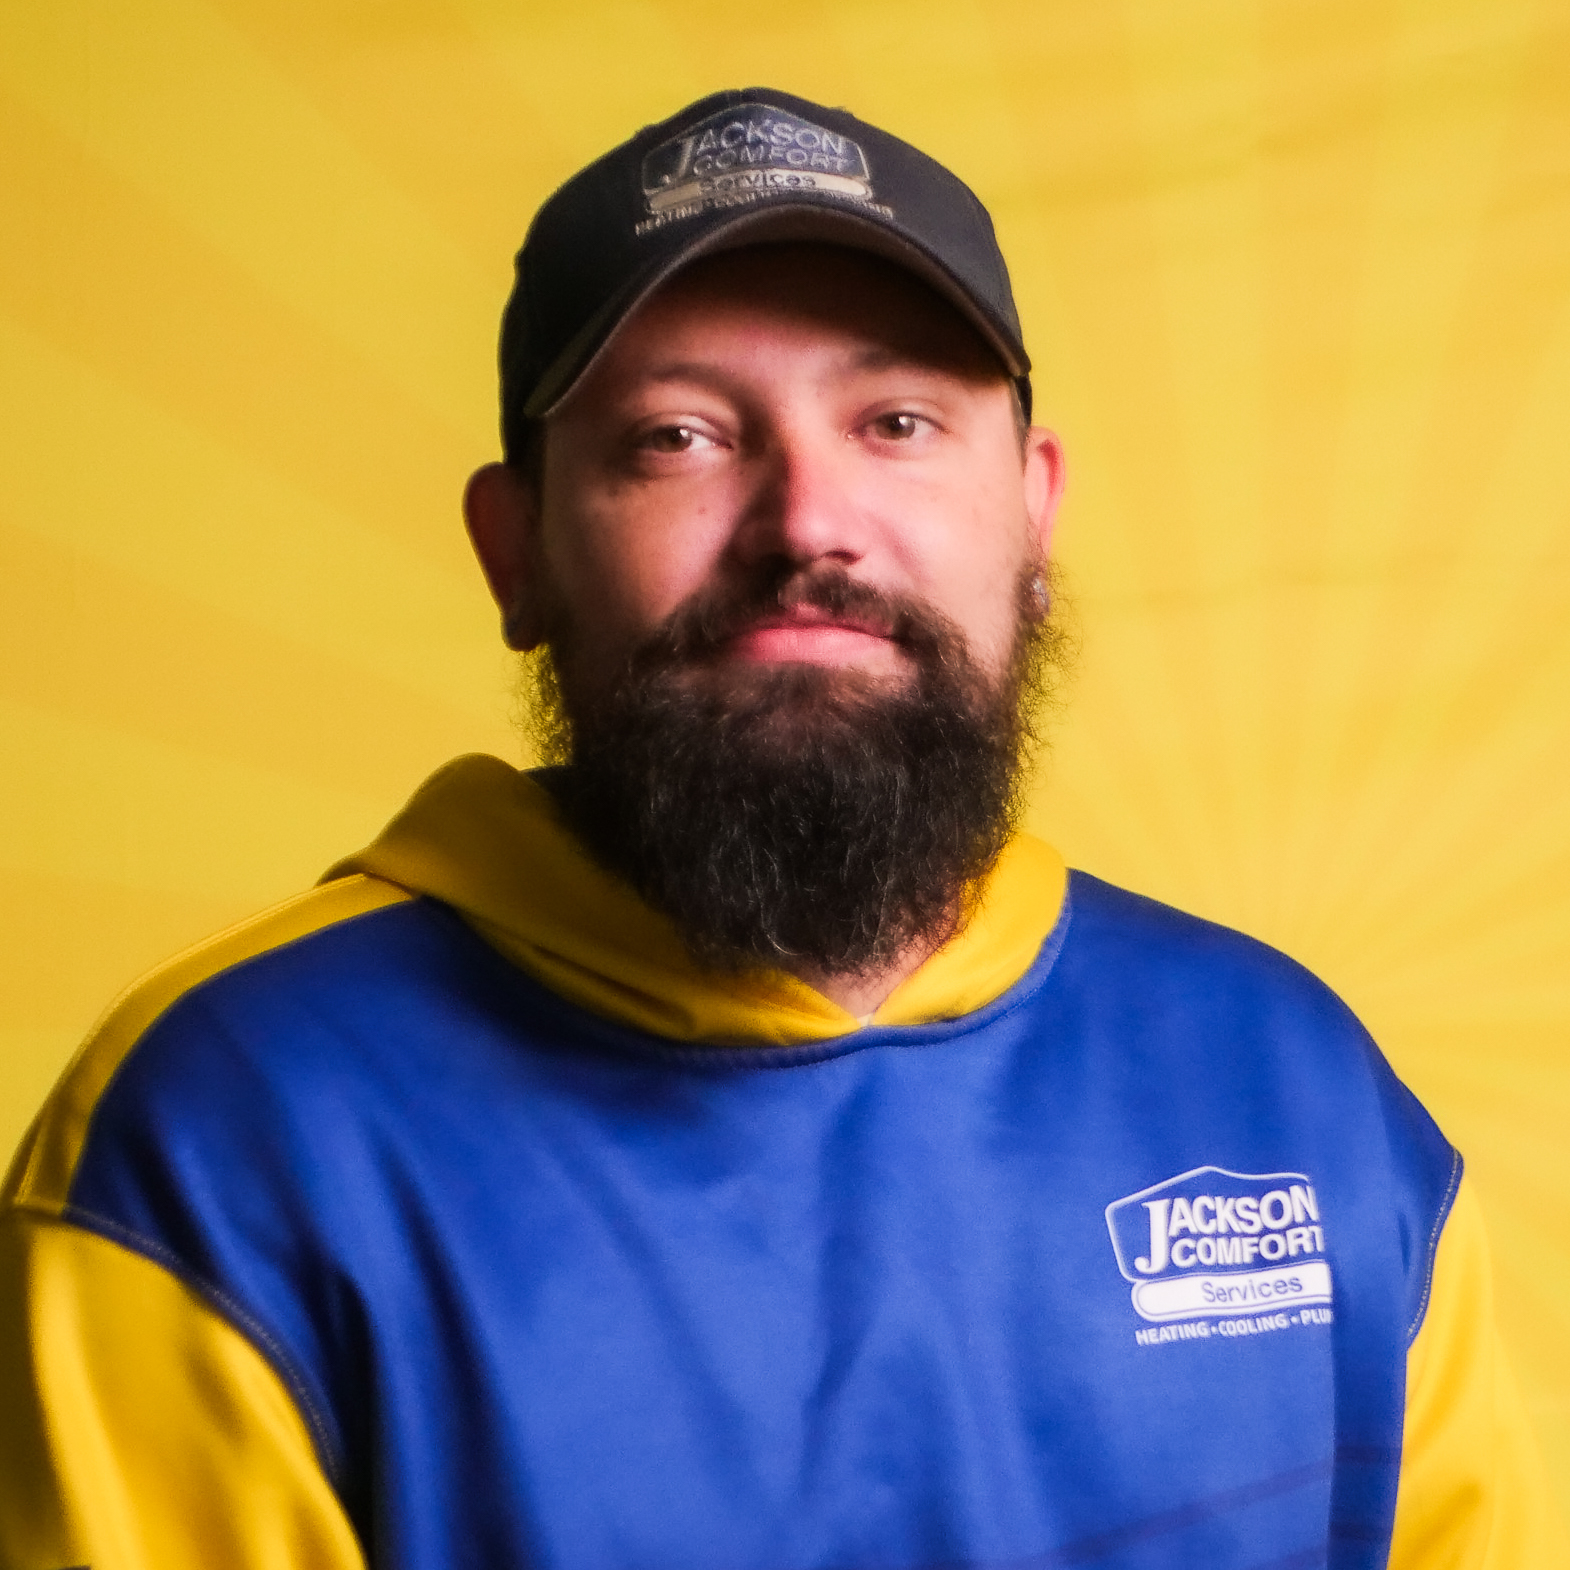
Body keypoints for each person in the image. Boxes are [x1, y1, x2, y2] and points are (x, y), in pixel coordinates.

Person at [0, 87, 1560, 1570]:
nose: (807, 519)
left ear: (1031, 517)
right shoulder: (223, 1141)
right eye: (677, 436)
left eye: (894, 420)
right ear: (514, 549)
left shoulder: (1293, 1088)